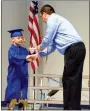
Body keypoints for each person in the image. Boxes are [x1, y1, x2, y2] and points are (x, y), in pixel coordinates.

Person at [31, 4, 86, 110]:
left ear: (44, 14)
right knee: (72, 80)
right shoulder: (58, 24)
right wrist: (38, 55)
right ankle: (73, 107)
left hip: (73, 49)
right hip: (76, 49)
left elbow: (47, 39)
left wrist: (39, 47)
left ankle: (70, 108)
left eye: (41, 17)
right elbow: (51, 47)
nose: (43, 20)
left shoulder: (52, 19)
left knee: (69, 80)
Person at [5, 29, 33, 109]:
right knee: (14, 97)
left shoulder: (23, 49)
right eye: (18, 38)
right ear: (12, 39)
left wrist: (32, 53)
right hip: (15, 76)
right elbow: (15, 57)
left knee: (22, 98)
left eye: (21, 37)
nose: (20, 39)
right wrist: (26, 57)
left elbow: (29, 58)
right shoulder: (11, 50)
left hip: (23, 76)